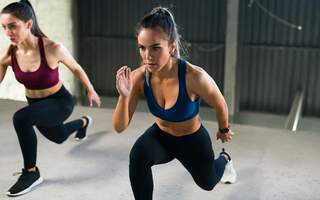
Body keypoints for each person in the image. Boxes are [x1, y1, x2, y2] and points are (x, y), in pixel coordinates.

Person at [112, 6, 237, 200]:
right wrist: (124, 95)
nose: (147, 56)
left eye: (155, 47)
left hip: (192, 139)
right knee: (138, 156)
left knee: (208, 183)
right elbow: (119, 127)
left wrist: (223, 129)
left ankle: (225, 159)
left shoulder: (194, 77)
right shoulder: (137, 78)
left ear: (171, 46)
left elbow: (220, 104)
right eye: (142, 48)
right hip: (162, 137)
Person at [0, 0, 101, 197]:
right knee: (59, 136)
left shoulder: (52, 48)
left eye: (13, 26)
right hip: (36, 104)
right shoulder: (8, 55)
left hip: (60, 102)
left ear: (28, 24)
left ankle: (31, 173)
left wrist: (90, 90)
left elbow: (76, 68)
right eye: (4, 27)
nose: (7, 32)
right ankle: (83, 122)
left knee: (21, 118)